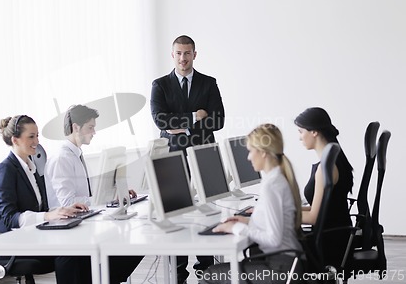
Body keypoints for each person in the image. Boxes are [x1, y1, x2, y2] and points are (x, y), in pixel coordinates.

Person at [150, 35, 225, 282]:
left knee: (207, 211)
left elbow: (219, 120)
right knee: (177, 214)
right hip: (174, 158)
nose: (183, 58)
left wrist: (180, 124)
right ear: (172, 55)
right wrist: (195, 117)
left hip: (204, 156)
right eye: (179, 53)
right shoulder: (160, 85)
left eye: (188, 53)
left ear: (195, 54)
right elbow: (161, 120)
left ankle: (206, 269)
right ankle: (178, 271)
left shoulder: (208, 83)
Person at [44, 104, 143, 284]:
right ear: (76, 128)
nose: (94, 132)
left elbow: (84, 195)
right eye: (90, 127)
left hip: (83, 220)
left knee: (132, 243)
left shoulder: (75, 154)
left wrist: (114, 194)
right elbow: (68, 203)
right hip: (68, 227)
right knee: (127, 247)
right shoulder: (62, 158)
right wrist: (105, 198)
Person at [0, 115, 91, 284]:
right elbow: (9, 218)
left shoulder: (32, 167)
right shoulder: (4, 170)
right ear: (15, 140)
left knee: (80, 246)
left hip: (32, 236)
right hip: (10, 243)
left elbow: (40, 209)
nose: (37, 141)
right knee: (68, 253)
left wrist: (62, 210)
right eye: (31, 136)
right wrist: (47, 216)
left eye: (37, 136)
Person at [200, 124, 303, 284]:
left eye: (250, 151)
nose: (248, 157)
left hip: (280, 269)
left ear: (262, 153)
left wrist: (235, 228)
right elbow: (274, 224)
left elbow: (274, 239)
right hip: (285, 263)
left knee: (210, 276)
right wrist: (247, 221)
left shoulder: (272, 186)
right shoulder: (276, 179)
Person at [294, 107, 353, 267]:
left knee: (263, 249)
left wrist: (276, 217)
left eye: (301, 131)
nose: (300, 137)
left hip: (329, 244)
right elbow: (319, 208)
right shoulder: (336, 157)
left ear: (314, 132)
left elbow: (314, 218)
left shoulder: (326, 168)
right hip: (337, 235)